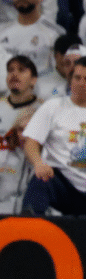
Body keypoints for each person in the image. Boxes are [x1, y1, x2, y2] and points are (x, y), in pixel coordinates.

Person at [22, 56, 86, 216]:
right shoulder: (53, 106)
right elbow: (31, 142)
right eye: (77, 78)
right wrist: (38, 163)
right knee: (40, 180)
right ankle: (29, 226)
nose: (81, 83)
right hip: (59, 181)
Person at [0, 0, 61, 78]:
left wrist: (52, 94)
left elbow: (59, 80)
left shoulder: (54, 34)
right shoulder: (2, 31)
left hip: (42, 92)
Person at [0, 55, 40, 213]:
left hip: (26, 195)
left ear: (34, 80)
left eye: (21, 70)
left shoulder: (44, 110)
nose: (14, 74)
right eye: (10, 70)